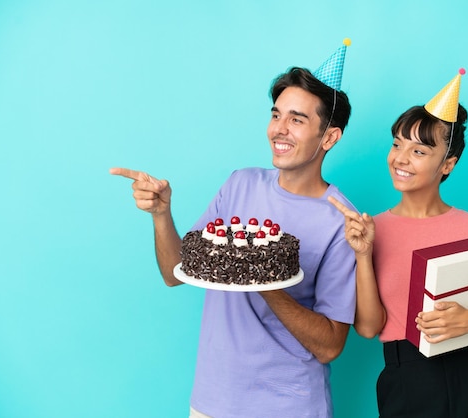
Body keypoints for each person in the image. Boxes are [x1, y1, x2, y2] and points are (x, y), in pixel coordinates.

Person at [110, 42, 357, 418]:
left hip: (289, 406)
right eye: (276, 115)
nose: (280, 129)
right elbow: (174, 274)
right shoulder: (240, 184)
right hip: (213, 401)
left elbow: (329, 347)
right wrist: (162, 214)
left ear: (329, 137)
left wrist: (262, 279)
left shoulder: (341, 220)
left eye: (297, 119)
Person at [329, 70, 468, 418]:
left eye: (419, 150)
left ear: (448, 164)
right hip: (409, 380)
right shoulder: (370, 230)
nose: (400, 158)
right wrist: (363, 255)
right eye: (397, 144)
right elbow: (368, 327)